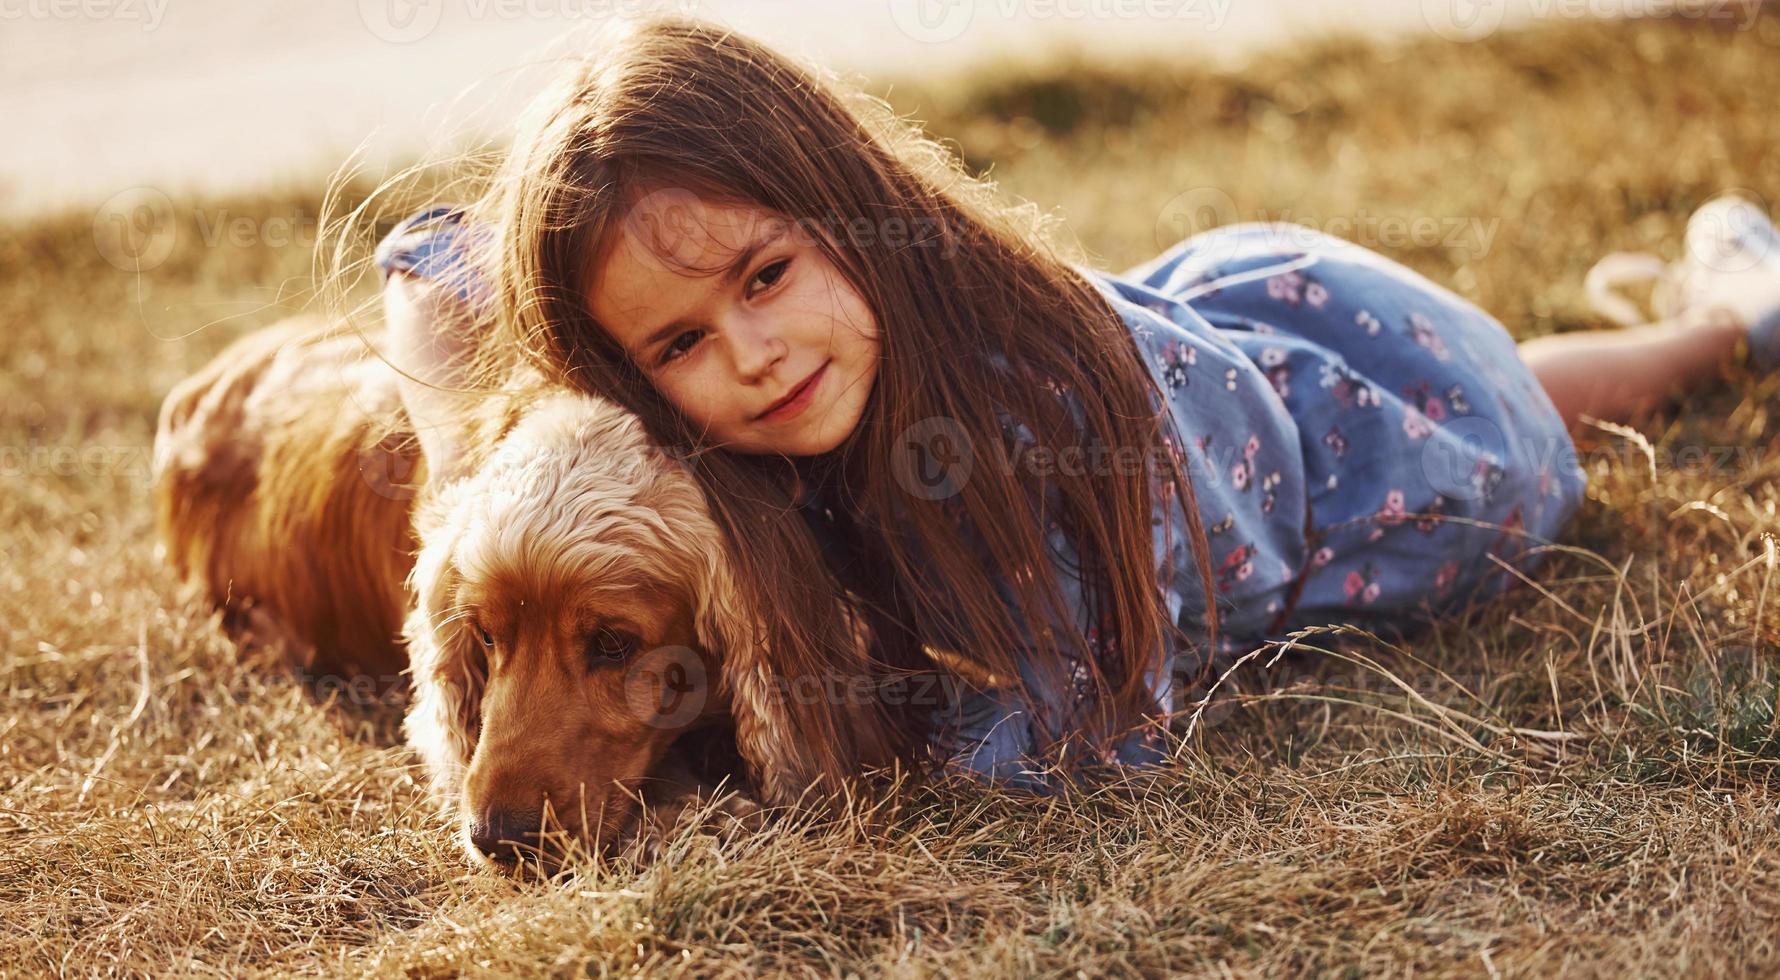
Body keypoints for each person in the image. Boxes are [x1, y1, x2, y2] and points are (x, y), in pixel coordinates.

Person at [364, 15, 1778, 792]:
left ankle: (1724, 320)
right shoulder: (800, 382)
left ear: (855, 204)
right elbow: (442, 282)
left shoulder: (1028, 430)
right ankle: (1714, 313)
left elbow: (1079, 738)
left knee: (1513, 418)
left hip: (1416, 485)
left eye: (768, 271)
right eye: (675, 346)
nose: (748, 352)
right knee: (1504, 374)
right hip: (1282, 353)